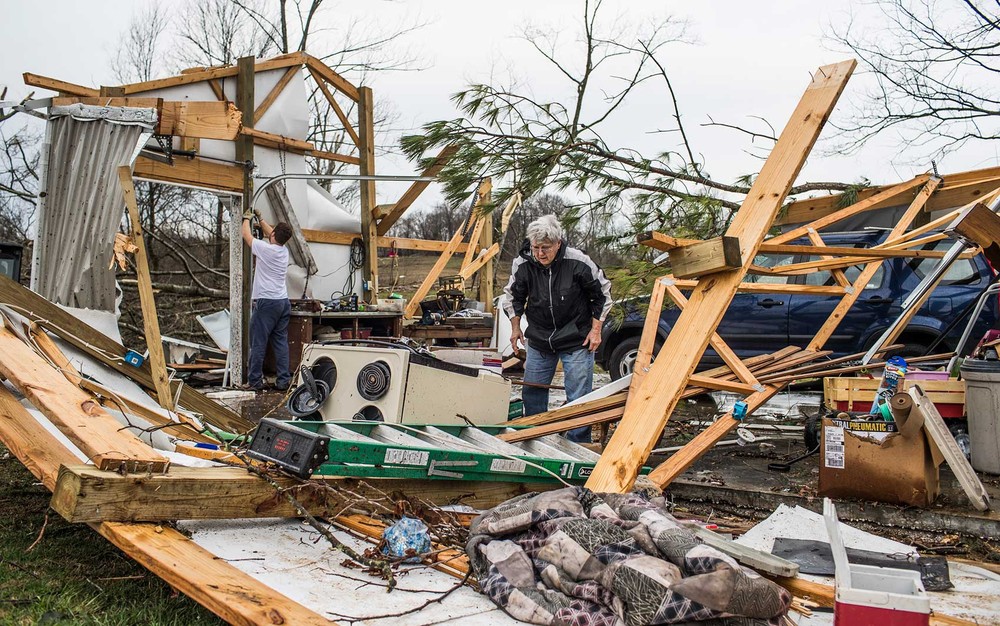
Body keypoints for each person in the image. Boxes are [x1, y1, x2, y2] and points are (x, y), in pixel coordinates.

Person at [503, 214, 612, 442]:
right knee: (532, 391)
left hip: (576, 339)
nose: (540, 253)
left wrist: (595, 330)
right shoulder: (523, 264)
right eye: (536, 247)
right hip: (540, 339)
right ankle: (534, 440)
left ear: (558, 244)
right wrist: (515, 327)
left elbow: (602, 295)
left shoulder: (578, 262)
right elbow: (513, 297)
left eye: (546, 248)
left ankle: (578, 444)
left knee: (578, 397)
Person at [242, 209, 294, 392]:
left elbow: (247, 236)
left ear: (272, 235)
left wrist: (246, 218)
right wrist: (261, 218)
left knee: (258, 342)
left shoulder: (265, 249)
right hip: (282, 302)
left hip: (267, 302)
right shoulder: (283, 251)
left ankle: (255, 381)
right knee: (280, 343)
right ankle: (283, 381)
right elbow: (271, 232)